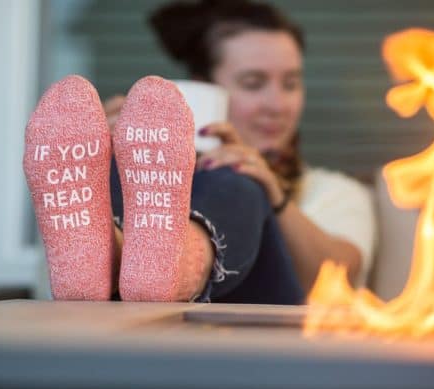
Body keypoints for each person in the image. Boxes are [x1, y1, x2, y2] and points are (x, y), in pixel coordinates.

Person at [103, 0, 376, 304]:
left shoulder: (336, 191)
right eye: (253, 84)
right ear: (204, 90)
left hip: (268, 343)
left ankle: (172, 268)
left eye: (291, 84)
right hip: (141, 339)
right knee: (122, 167)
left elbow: (341, 281)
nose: (277, 105)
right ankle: (116, 256)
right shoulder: (148, 173)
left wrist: (274, 196)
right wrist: (104, 155)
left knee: (238, 180)